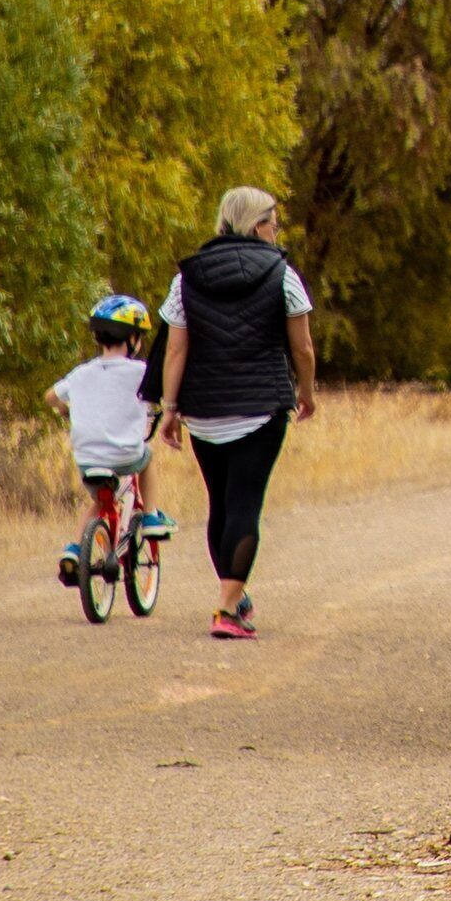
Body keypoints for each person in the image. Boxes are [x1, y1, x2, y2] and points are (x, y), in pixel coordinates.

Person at [145, 187, 316, 641]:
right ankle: (224, 610)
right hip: (262, 410)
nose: (276, 232)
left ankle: (234, 597)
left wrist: (171, 409)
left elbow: (176, 348)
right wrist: (308, 393)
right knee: (245, 504)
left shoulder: (187, 277)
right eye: (274, 223)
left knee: (220, 505)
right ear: (257, 225)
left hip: (204, 411)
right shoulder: (283, 274)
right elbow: (302, 346)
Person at [47, 294, 169, 589]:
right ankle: (151, 516)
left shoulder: (81, 373)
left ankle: (75, 551)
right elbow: (160, 392)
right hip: (126, 455)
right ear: (133, 339)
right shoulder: (141, 372)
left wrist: (65, 408)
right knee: (147, 456)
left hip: (88, 460)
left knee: (99, 502)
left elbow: (50, 397)